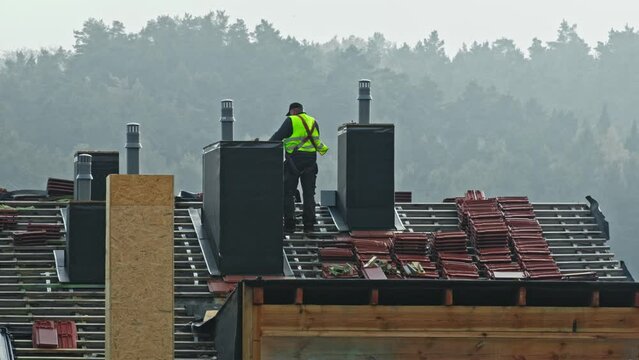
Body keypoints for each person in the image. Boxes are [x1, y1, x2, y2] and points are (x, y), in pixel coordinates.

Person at [270, 102, 328, 233]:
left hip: (294, 162)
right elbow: (318, 143)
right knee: (309, 194)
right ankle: (309, 225)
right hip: (311, 162)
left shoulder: (291, 120)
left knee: (288, 193)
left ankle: (290, 225)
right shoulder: (313, 122)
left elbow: (277, 138)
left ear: (293, 111)